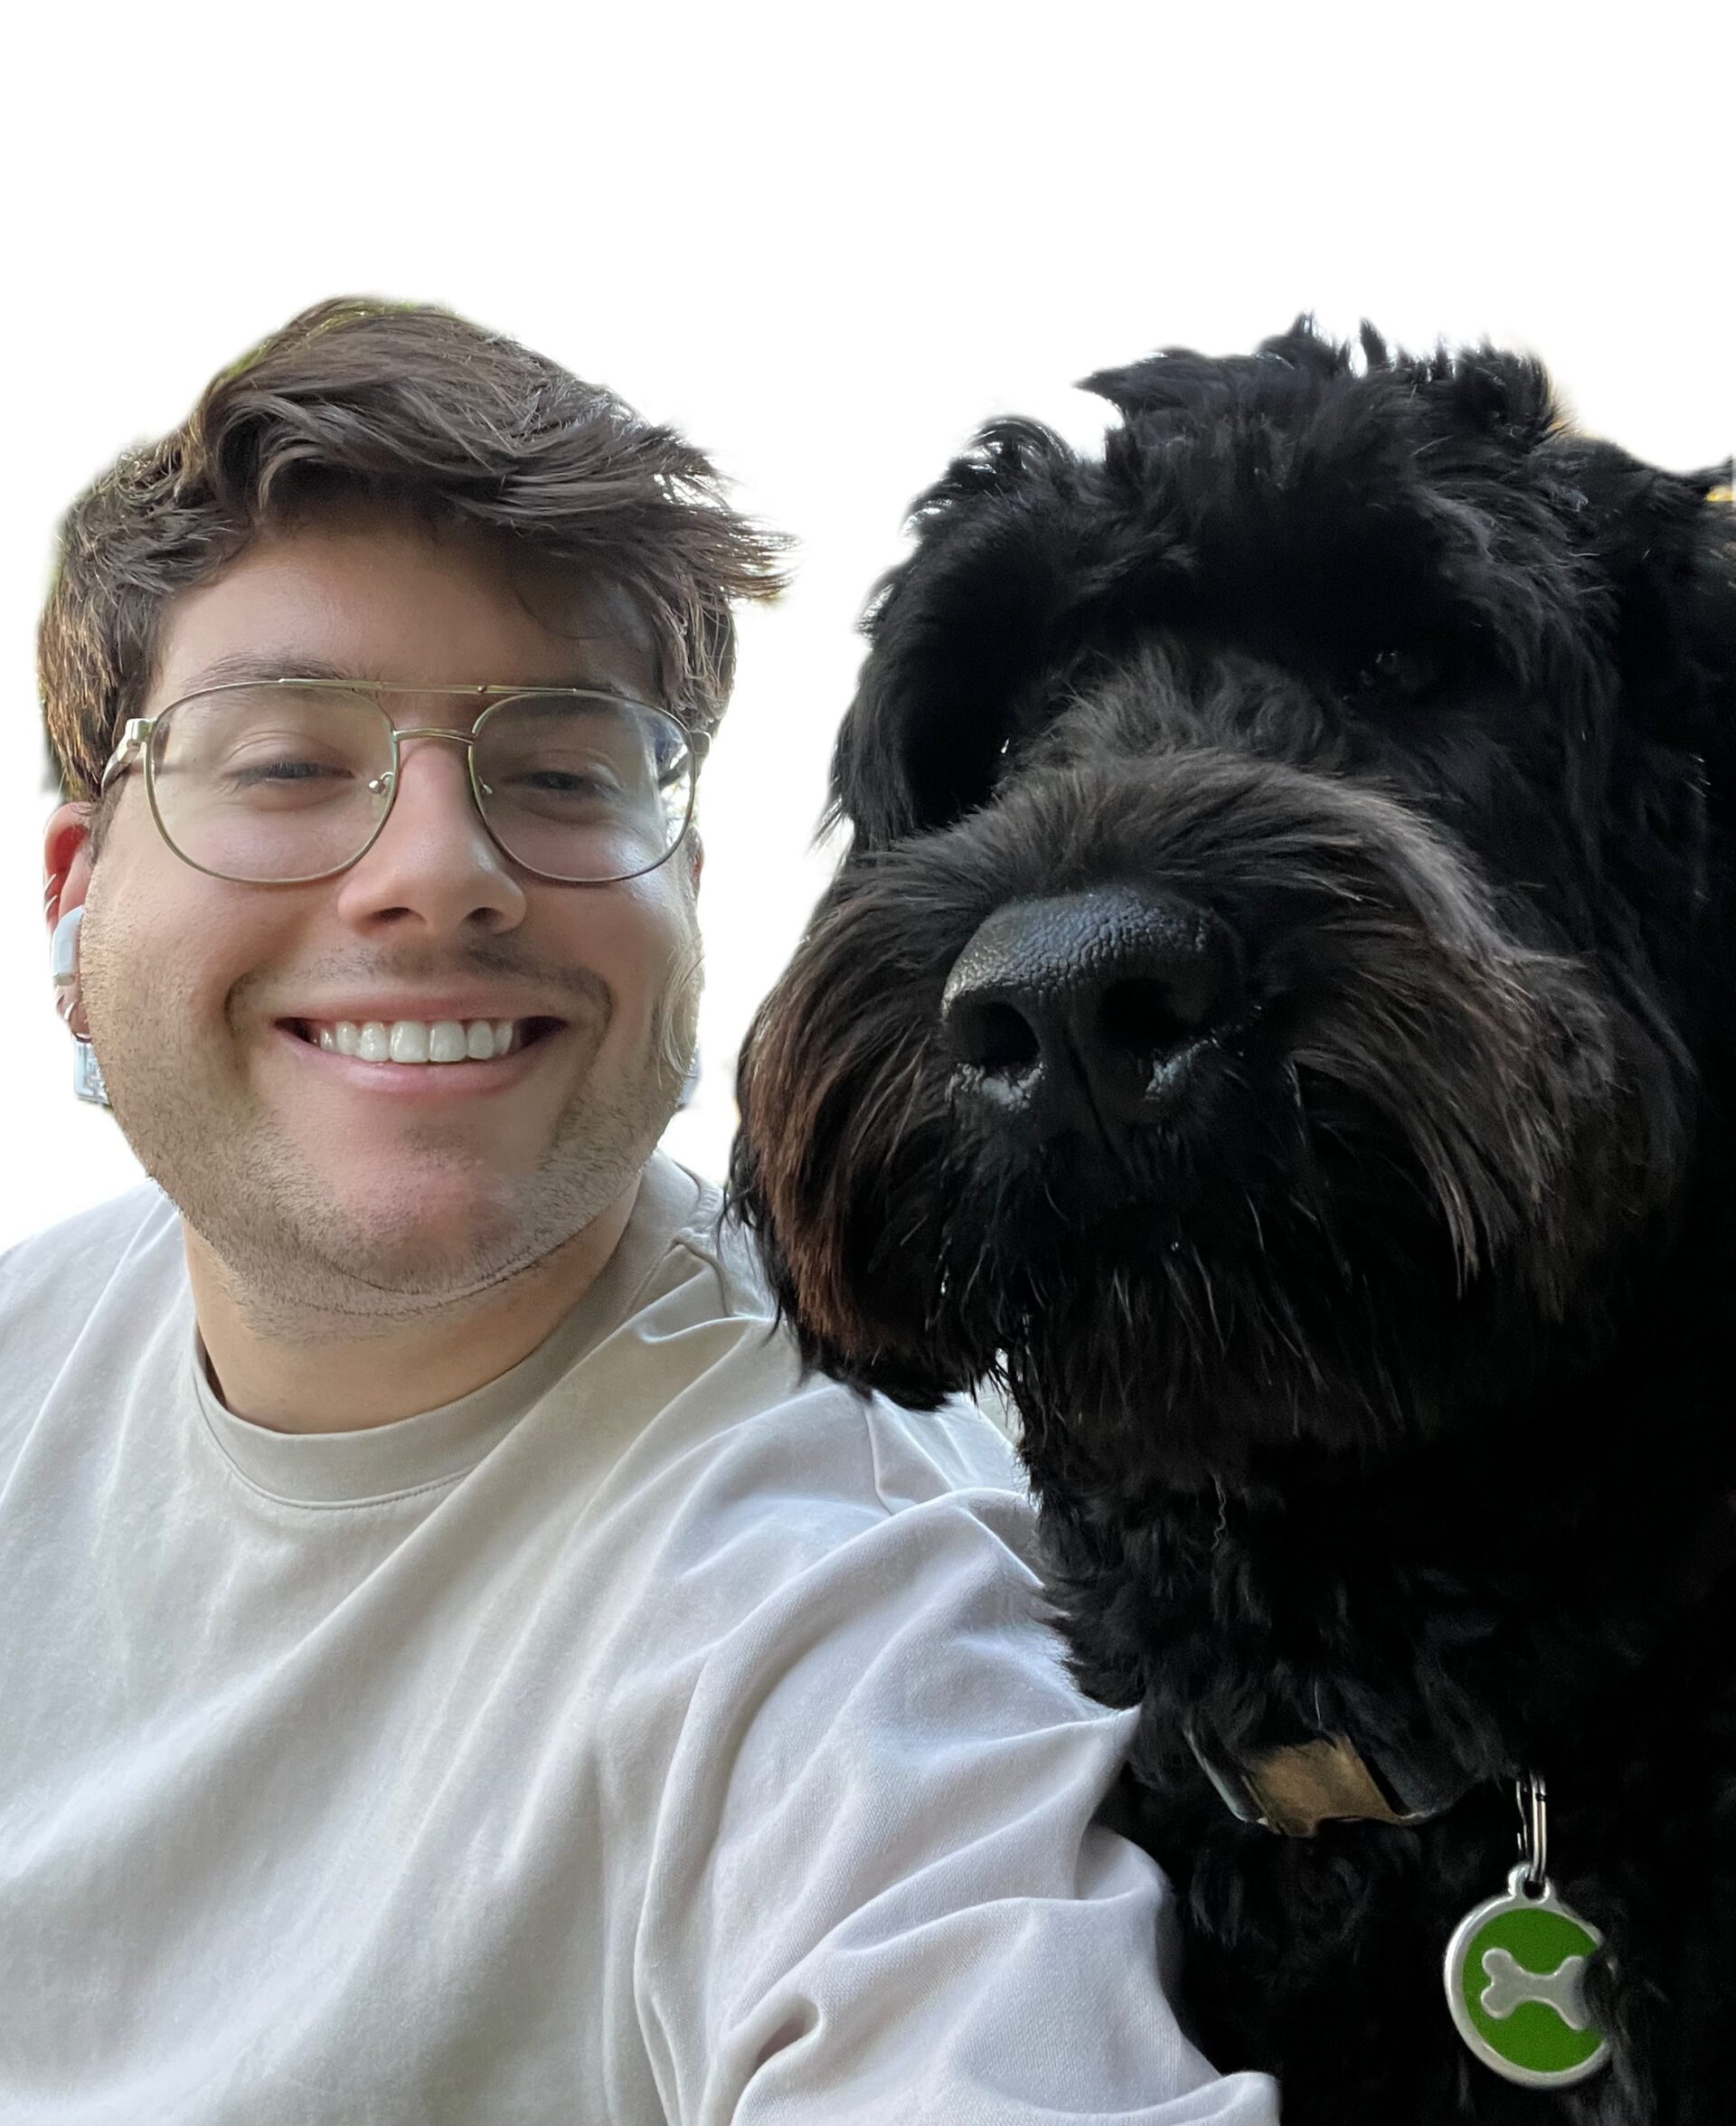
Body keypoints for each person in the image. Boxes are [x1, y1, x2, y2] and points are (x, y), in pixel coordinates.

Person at [0, 298, 1277, 2124]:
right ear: (75, 897)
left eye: (559, 770)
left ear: (684, 888)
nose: (438, 869)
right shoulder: (27, 1359)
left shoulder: (859, 1587)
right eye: (283, 761)